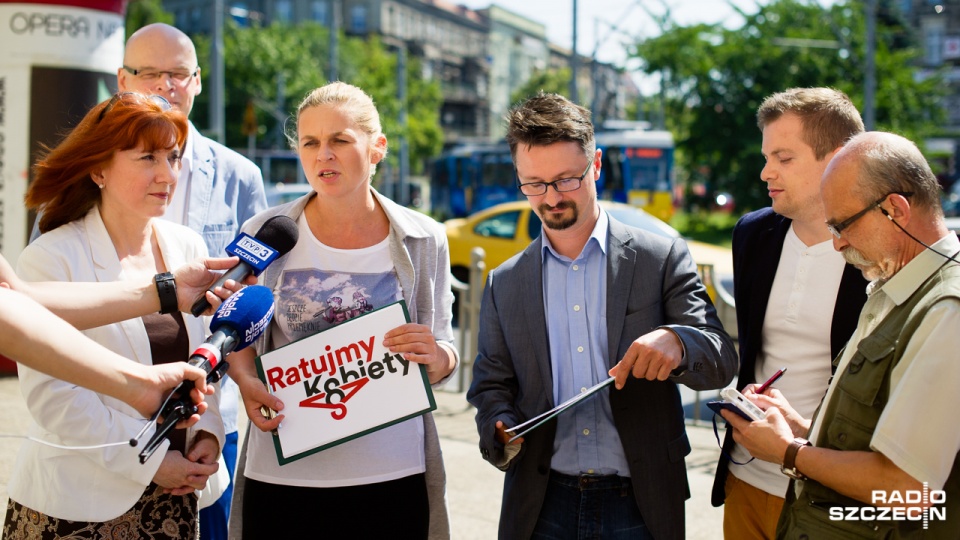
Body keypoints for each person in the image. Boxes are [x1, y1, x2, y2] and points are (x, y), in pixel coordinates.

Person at [466, 92, 737, 540]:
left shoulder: (659, 257)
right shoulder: (504, 282)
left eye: (566, 179)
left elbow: (721, 358)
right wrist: (499, 426)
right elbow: (491, 384)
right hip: (540, 503)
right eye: (533, 183)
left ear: (596, 165)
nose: (550, 198)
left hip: (641, 499)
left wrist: (678, 342)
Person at [227, 82, 457, 539]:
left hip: (391, 473)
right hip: (283, 472)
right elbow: (237, 328)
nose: (323, 155)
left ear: (377, 148)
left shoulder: (424, 237)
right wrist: (247, 380)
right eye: (310, 143)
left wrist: (436, 357)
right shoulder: (266, 232)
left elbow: (445, 352)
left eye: (340, 140)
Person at [4, 92, 223, 539]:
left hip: (180, 498)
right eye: (147, 157)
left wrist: (209, 436)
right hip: (78, 505)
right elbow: (54, 397)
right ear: (98, 169)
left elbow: (209, 363)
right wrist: (151, 458)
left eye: (174, 157)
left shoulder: (188, 246)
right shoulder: (51, 256)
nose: (167, 174)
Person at [725, 131, 960, 538]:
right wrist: (803, 429)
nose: (838, 244)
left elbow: (908, 490)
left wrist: (789, 452)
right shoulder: (897, 284)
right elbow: (876, 435)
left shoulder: (946, 310)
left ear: (895, 209)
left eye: (843, 225)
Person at [118, 23, 268, 537]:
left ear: (198, 81)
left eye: (178, 74)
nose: (165, 85)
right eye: (150, 74)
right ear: (122, 80)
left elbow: (254, 293)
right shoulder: (84, 169)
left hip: (207, 416)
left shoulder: (239, 175)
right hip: (108, 411)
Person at [710, 87, 868, 538]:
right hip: (744, 478)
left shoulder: (875, 250)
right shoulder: (752, 234)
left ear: (838, 158)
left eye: (784, 157)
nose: (765, 172)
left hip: (828, 492)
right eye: (766, 156)